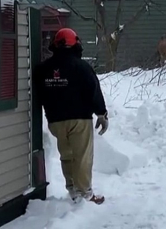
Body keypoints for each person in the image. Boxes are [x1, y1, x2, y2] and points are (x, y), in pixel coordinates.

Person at [33, 28, 109, 204]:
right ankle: (85, 194)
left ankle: (73, 190)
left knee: (66, 155)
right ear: (75, 44)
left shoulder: (43, 69)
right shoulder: (81, 67)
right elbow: (93, 90)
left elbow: (38, 92)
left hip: (55, 121)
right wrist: (101, 113)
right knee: (82, 156)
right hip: (79, 119)